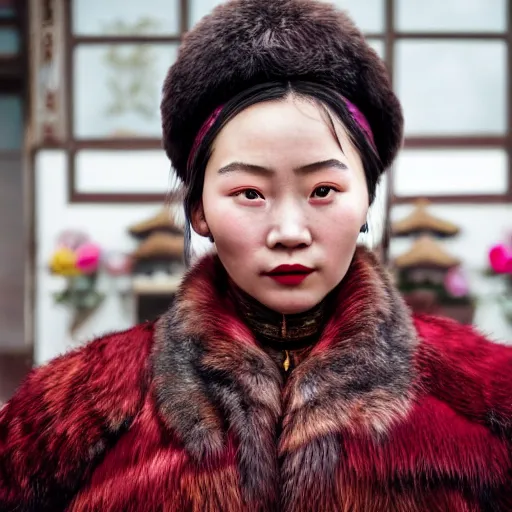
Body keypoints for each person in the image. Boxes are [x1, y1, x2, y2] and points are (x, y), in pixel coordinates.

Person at [1, 0, 511, 510]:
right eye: (249, 193)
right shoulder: (75, 409)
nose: (289, 232)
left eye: (323, 190)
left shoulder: (486, 399)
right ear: (199, 210)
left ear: (366, 202)